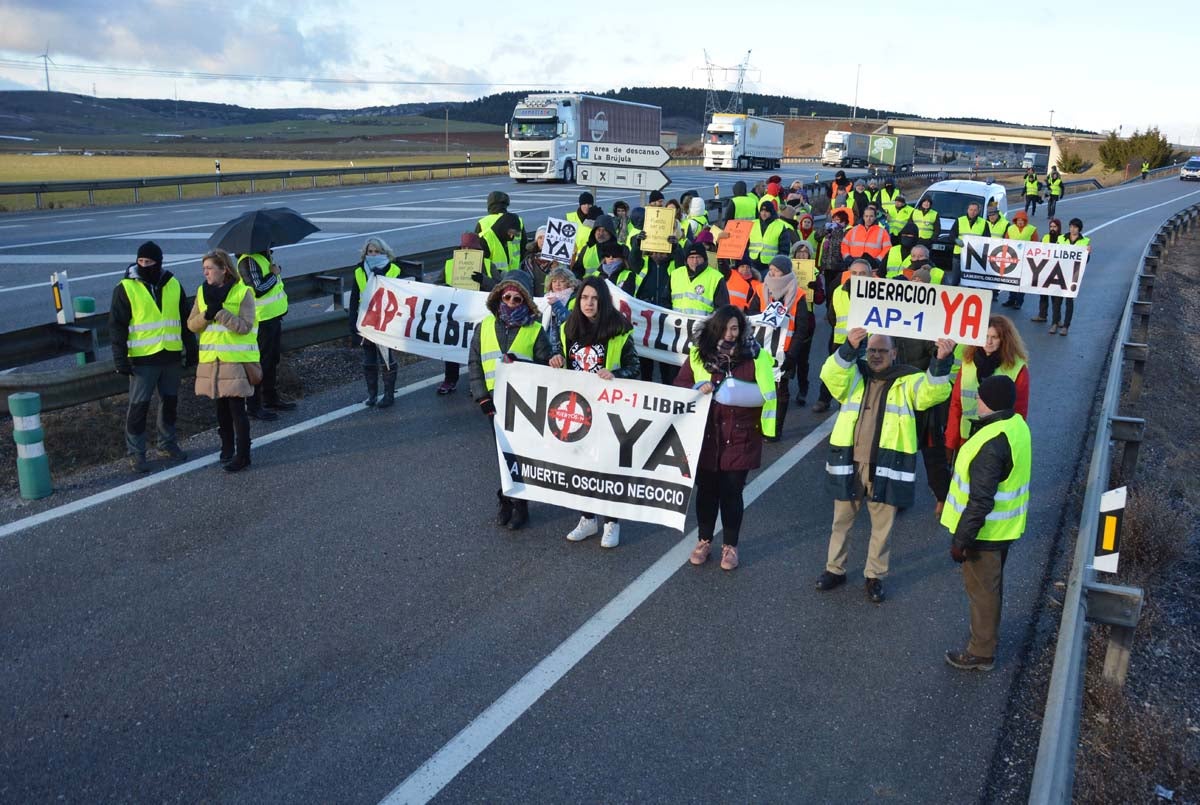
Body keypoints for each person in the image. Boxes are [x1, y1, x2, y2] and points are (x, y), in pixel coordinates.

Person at [815, 327, 956, 602]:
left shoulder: (909, 379)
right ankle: (835, 569)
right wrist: (848, 347)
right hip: (850, 463)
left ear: (894, 353)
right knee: (840, 522)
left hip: (888, 464)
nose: (876, 355)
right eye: (872, 350)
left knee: (882, 527)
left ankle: (874, 577)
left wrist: (941, 360)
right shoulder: (854, 374)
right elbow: (830, 375)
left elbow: (933, 393)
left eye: (882, 350)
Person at [675, 305, 777, 571]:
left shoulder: (756, 357)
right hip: (706, 435)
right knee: (707, 492)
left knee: (732, 493)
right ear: (715, 329)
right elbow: (680, 386)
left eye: (735, 328)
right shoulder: (698, 357)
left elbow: (769, 394)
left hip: (741, 435)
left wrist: (764, 424)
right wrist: (698, 387)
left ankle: (730, 546)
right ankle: (704, 540)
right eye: (725, 328)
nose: (730, 334)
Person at [943, 374, 1032, 671]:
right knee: (991, 588)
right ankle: (987, 639)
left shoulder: (991, 443)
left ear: (989, 403)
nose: (976, 401)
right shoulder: (1016, 426)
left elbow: (980, 500)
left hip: (985, 533)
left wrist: (961, 540)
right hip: (1003, 529)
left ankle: (981, 652)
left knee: (982, 591)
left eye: (980, 397)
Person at [549, 278, 640, 548]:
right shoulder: (567, 327)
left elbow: (634, 367)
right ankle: (587, 518)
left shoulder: (619, 329)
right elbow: (558, 354)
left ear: (603, 301)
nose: (589, 303)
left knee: (607, 467)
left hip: (609, 408)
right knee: (582, 466)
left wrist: (616, 374)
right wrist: (556, 359)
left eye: (594, 298)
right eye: (584, 298)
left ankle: (612, 522)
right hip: (577, 408)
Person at [468, 271, 552, 531]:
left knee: (520, 455)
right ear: (499, 298)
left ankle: (518, 504)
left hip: (524, 403)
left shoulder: (535, 330)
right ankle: (506, 499)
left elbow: (543, 366)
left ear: (525, 301)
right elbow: (474, 364)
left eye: (518, 299)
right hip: (494, 402)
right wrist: (482, 397)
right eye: (508, 297)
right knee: (503, 454)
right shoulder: (483, 327)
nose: (512, 302)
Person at [109, 240, 193, 472]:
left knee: (170, 404)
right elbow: (116, 326)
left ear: (159, 262)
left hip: (170, 356)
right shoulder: (125, 288)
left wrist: (191, 348)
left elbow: (185, 320)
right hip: (142, 359)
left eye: (149, 261)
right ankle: (136, 454)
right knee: (138, 408)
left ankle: (167, 444)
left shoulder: (173, 283)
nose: (145, 265)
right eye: (141, 261)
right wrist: (120, 358)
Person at [189, 250, 259, 473]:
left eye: (209, 268)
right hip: (212, 361)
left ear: (224, 269)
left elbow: (245, 326)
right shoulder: (202, 292)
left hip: (235, 360)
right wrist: (206, 316)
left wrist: (220, 313)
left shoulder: (242, 292)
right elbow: (192, 325)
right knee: (221, 410)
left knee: (237, 410)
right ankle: (227, 448)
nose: (206, 273)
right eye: (204, 269)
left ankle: (243, 454)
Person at [945, 315, 1030, 454]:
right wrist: (950, 443)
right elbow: (956, 404)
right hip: (966, 439)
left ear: (1004, 340)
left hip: (996, 443)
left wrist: (1011, 446)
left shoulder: (1018, 369)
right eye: (985, 336)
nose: (988, 342)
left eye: (994, 337)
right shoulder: (968, 362)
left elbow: (1019, 413)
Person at [236, 247, 293, 421]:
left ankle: (270, 398)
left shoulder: (262, 257)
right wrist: (274, 274)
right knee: (262, 362)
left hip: (272, 318)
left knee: (272, 359)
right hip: (261, 321)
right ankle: (254, 405)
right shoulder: (248, 260)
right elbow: (258, 288)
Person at [764, 254, 817, 433]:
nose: (772, 274)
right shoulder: (760, 290)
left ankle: (775, 430)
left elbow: (801, 328)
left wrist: (791, 355)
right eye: (770, 270)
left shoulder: (798, 295)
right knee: (762, 389)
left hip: (785, 352)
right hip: (763, 350)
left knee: (781, 391)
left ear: (785, 273)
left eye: (776, 271)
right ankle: (762, 425)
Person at [348, 237, 403, 407]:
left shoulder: (393, 269)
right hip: (366, 322)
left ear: (384, 252)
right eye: (370, 251)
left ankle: (388, 395)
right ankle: (372, 395)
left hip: (385, 322)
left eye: (376, 251)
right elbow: (354, 298)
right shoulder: (359, 271)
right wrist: (353, 324)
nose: (373, 254)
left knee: (386, 358)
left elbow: (400, 295)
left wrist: (383, 278)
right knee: (368, 359)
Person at [813, 259, 872, 412]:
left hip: (869, 345)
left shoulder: (879, 293)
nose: (858, 276)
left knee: (861, 383)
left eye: (862, 273)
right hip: (842, 342)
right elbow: (832, 316)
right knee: (834, 374)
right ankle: (825, 400)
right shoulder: (839, 291)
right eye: (854, 273)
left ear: (871, 275)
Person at [1048, 218, 1091, 336]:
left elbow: (1085, 261)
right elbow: (1054, 253)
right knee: (1057, 300)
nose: (1073, 229)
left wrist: (1087, 253)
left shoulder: (1084, 241)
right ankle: (1055, 323)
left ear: (1079, 229)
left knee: (1069, 301)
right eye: (1071, 226)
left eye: (1075, 227)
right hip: (1060, 272)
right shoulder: (1061, 239)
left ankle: (1066, 326)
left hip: (1073, 275)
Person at [1000, 212, 1038, 309]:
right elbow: (1006, 242)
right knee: (1012, 280)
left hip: (1025, 260)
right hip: (1013, 258)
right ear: (1015, 220)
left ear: (1025, 221)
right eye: (1018, 220)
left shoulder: (1031, 229)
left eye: (1022, 220)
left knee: (1022, 281)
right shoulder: (1010, 229)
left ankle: (1019, 301)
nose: (1020, 222)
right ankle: (1011, 299)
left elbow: (1036, 243)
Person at [1031, 218, 1065, 325]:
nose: (1052, 229)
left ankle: (1057, 319)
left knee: (1056, 298)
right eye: (1051, 227)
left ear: (1059, 228)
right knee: (1043, 295)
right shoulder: (1045, 237)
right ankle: (1042, 315)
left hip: (1057, 271)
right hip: (1045, 270)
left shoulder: (1063, 239)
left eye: (1055, 227)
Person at [841, 205, 891, 272]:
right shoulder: (853, 230)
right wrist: (847, 258)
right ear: (863, 217)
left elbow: (887, 248)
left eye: (871, 216)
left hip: (873, 268)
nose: (868, 219)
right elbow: (844, 245)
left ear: (875, 217)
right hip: (853, 266)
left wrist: (878, 260)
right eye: (866, 216)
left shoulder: (882, 232)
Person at [543, 266, 579, 358]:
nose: (557, 284)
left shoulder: (575, 299)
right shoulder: (545, 298)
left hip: (564, 348)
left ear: (570, 283)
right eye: (554, 281)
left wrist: (557, 305)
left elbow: (571, 322)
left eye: (561, 281)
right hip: (546, 346)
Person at [748, 200, 793, 270]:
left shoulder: (780, 226)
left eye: (766, 211)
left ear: (771, 212)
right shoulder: (752, 224)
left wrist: (778, 264)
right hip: (752, 263)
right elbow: (745, 244)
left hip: (770, 266)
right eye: (762, 211)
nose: (763, 213)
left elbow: (784, 249)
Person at [950, 201, 987, 279]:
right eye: (971, 209)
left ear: (978, 211)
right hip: (959, 254)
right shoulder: (959, 220)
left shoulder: (983, 223)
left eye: (975, 210)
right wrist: (956, 240)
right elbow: (951, 235)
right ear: (967, 210)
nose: (972, 212)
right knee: (955, 279)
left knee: (971, 280)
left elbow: (987, 239)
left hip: (975, 256)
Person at [520, 226, 554, 294]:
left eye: (546, 238)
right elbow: (525, 280)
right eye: (540, 238)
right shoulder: (529, 259)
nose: (543, 241)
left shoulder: (557, 260)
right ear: (536, 240)